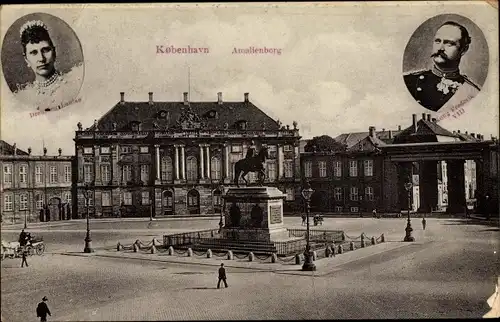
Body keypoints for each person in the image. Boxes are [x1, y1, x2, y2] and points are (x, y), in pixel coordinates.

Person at [404, 21, 480, 112]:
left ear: (463, 50)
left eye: (449, 43)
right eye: (438, 41)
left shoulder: (472, 92)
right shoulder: (409, 81)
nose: (440, 48)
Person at [13, 20, 83, 111]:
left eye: (45, 50)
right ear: (26, 59)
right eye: (34, 53)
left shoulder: (74, 83)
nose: (41, 58)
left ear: (54, 52)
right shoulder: (24, 97)